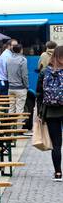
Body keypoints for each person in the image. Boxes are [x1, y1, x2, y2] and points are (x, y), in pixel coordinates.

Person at [38, 45, 63, 181]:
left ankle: (58, 173)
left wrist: (40, 113)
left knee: (56, 144)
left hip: (51, 112)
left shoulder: (45, 72)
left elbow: (39, 94)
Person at [4, 41, 29, 116]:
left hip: (11, 88)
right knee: (19, 109)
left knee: (11, 108)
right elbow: (24, 75)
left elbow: (7, 72)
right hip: (20, 88)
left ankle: (10, 126)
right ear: (21, 50)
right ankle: (18, 127)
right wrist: (26, 85)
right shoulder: (23, 60)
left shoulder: (8, 59)